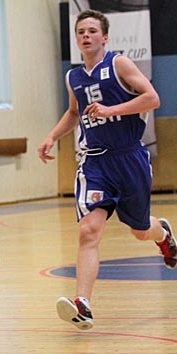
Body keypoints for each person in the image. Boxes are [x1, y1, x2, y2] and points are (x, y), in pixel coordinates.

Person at [38, 9, 176, 331]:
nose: (85, 36)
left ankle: (163, 233)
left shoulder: (119, 64)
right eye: (80, 31)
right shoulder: (73, 77)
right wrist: (52, 136)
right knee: (89, 230)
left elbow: (152, 98)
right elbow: (74, 112)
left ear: (105, 37)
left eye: (91, 31)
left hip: (129, 158)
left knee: (140, 230)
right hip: (95, 163)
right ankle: (82, 304)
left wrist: (112, 109)